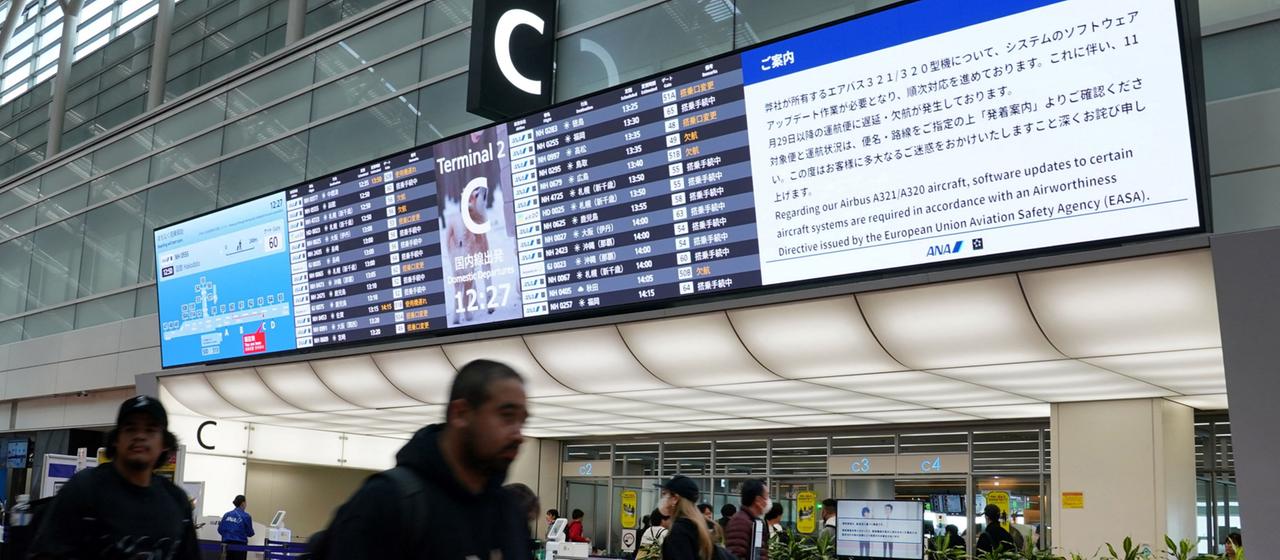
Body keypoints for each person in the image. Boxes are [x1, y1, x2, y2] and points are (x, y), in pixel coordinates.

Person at [315, 359, 532, 559]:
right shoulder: (387, 502)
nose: (518, 435)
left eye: (521, 421)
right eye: (506, 416)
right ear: (461, 414)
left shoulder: (509, 514)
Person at [30, 395, 200, 559]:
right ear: (116, 440)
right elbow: (46, 553)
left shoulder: (177, 500)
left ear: (164, 443)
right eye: (130, 428)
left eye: (150, 429)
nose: (140, 436)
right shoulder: (85, 488)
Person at [660, 475, 714, 560]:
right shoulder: (699, 527)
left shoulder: (678, 532)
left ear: (675, 498)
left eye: (665, 494)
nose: (663, 499)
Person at [725, 479, 770, 560]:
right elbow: (736, 554)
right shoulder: (740, 522)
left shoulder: (755, 521)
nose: (768, 501)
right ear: (758, 500)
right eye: (766, 496)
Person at [218, 494, 255, 560]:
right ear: (243, 503)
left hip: (226, 545)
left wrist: (228, 535)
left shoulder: (227, 514)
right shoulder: (246, 516)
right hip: (240, 546)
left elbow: (220, 529)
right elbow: (250, 533)